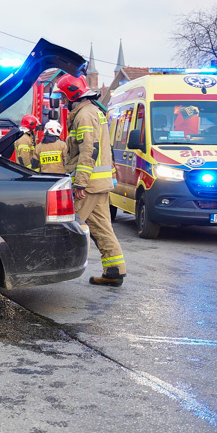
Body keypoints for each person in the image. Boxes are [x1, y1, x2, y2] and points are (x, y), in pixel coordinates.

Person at [57, 74, 126, 287]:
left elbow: (89, 149)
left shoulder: (84, 115)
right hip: (99, 183)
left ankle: (52, 270)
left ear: (72, 95)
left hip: (89, 185)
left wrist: (81, 183)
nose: (61, 101)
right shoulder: (93, 111)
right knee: (102, 227)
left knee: (67, 226)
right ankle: (114, 271)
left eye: (62, 96)